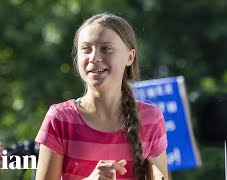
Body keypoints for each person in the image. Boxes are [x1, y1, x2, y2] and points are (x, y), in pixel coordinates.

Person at [35, 12, 168, 180]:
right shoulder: (60, 119)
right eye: (86, 49)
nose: (94, 57)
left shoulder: (151, 119)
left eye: (106, 49)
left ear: (130, 57)